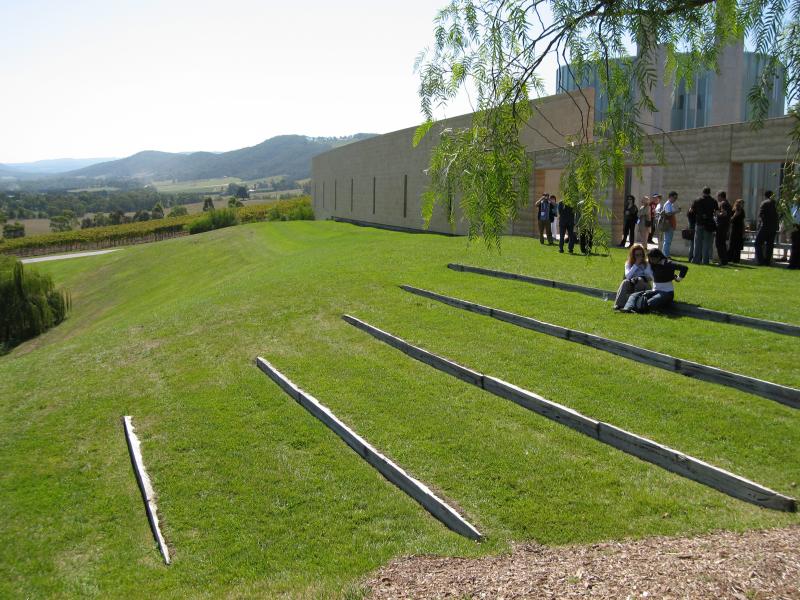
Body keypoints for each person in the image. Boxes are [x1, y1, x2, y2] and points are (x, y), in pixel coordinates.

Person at [622, 249, 688, 312]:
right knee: (634, 295)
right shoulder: (652, 263)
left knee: (650, 302)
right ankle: (627, 309)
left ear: (659, 257)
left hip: (666, 293)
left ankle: (637, 309)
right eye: (650, 259)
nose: (651, 261)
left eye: (653, 259)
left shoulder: (668, 263)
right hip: (655, 291)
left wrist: (678, 279)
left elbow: (684, 268)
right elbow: (643, 265)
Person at [613, 244, 653, 310]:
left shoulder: (646, 263)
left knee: (639, 280)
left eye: (641, 255)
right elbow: (628, 276)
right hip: (631, 283)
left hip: (644, 284)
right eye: (637, 255)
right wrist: (636, 265)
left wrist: (642, 267)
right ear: (633, 255)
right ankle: (619, 305)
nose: (639, 257)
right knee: (625, 282)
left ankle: (634, 305)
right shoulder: (628, 263)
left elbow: (650, 277)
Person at [691, 187, 717, 264]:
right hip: (709, 224)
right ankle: (705, 260)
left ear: (703, 192)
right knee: (707, 243)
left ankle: (696, 259)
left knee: (697, 242)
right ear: (710, 192)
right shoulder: (713, 201)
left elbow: (692, 211)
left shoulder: (697, 200)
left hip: (699, 223)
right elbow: (716, 212)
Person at [755, 190, 779, 265]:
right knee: (770, 244)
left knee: (757, 243)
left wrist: (760, 224)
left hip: (765, 226)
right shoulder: (776, 204)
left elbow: (761, 215)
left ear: (765, 196)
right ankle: (767, 261)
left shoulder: (764, 203)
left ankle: (761, 260)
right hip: (774, 227)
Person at [660, 191, 680, 258]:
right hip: (668, 225)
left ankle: (665, 254)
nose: (675, 199)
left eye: (676, 198)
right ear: (670, 197)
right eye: (674, 197)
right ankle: (666, 255)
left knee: (667, 240)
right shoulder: (668, 204)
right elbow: (668, 213)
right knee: (667, 241)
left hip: (670, 225)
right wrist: (676, 211)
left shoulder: (670, 204)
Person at [714, 191, 732, 265]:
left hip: (721, 226)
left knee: (719, 243)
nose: (717, 198)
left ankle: (722, 260)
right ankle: (724, 260)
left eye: (718, 196)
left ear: (721, 196)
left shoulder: (723, 203)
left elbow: (724, 213)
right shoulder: (728, 203)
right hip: (725, 226)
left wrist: (717, 213)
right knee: (722, 243)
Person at [728, 198, 746, 263]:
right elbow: (730, 220)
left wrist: (744, 230)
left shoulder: (742, 211)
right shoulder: (733, 210)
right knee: (732, 244)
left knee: (738, 245)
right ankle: (730, 258)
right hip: (734, 228)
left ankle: (736, 260)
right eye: (741, 203)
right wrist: (735, 215)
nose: (742, 205)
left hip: (739, 229)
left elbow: (743, 221)